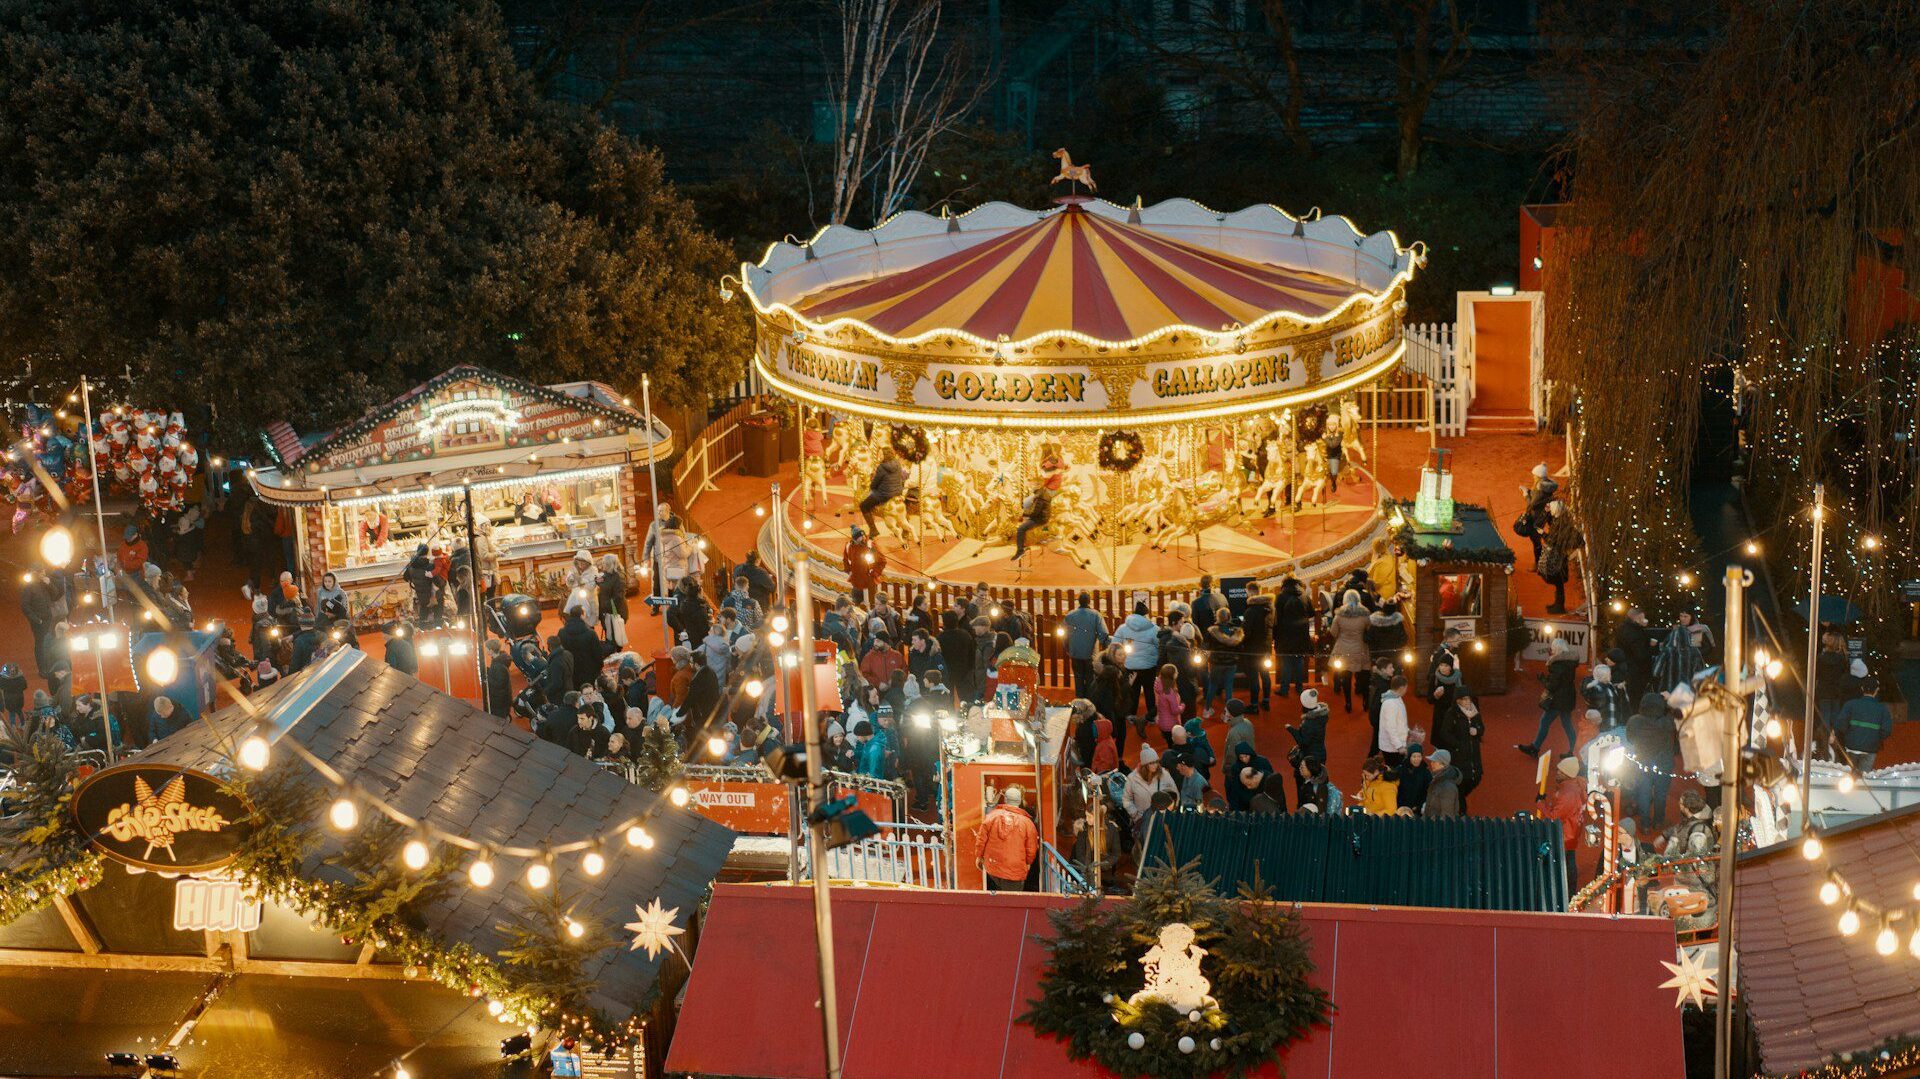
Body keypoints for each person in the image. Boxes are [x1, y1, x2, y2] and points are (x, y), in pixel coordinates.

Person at [1626, 692, 1678, 832]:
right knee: (1661, 794)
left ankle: (1645, 825)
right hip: (1664, 763)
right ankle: (1658, 822)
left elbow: (1630, 739)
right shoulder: (1667, 722)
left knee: (1644, 793)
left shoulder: (1634, 721)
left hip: (1643, 762)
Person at [1519, 637, 1579, 756]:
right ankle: (1575, 750)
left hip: (1558, 699)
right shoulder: (1570, 662)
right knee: (1567, 724)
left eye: (1552, 647)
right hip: (1568, 697)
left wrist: (1542, 679)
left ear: (1556, 649)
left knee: (1545, 721)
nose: (1551, 650)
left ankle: (1535, 748)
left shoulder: (1557, 664)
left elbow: (1552, 685)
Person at [1541, 756, 1589, 896]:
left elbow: (1554, 818)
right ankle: (1569, 892)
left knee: (1565, 864)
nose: (1557, 772)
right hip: (1572, 831)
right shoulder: (1576, 786)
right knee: (1569, 860)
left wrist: (1541, 805)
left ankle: (1566, 893)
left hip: (1564, 834)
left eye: (1560, 771)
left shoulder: (1568, 792)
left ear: (1567, 774)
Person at [978, 787, 1040, 891]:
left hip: (993, 868)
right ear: (1019, 801)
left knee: (996, 897)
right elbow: (1031, 848)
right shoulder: (1027, 823)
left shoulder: (991, 817)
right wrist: (1028, 863)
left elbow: (981, 840)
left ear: (1005, 800)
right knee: (1013, 903)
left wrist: (979, 856)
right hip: (1015, 871)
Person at [1432, 694, 1485, 810]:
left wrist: (1477, 731)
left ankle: (1458, 799)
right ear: (1458, 701)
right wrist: (1457, 745)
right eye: (1464, 699)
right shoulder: (1452, 714)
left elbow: (1482, 727)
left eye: (1468, 699)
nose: (1467, 701)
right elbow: (1445, 732)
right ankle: (1460, 807)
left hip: (1474, 754)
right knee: (1461, 780)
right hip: (1459, 755)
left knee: (1476, 779)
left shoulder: (1474, 713)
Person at [1112, 602, 1161, 723]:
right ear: (1146, 615)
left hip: (1130, 664)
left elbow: (1114, 644)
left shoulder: (1123, 627)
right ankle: (1150, 717)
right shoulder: (1154, 629)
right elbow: (1159, 645)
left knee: (1133, 691)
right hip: (1149, 665)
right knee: (1149, 691)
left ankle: (1131, 715)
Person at [1327, 591, 1371, 711]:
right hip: (1360, 649)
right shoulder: (1365, 613)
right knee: (1364, 678)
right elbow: (1369, 628)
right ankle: (1366, 702)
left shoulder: (1340, 614)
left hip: (1343, 650)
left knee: (1346, 678)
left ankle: (1348, 703)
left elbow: (1333, 632)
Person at [1837, 679, 1893, 771]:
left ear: (1862, 688)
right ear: (1876, 690)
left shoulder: (1850, 704)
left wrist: (1849, 735)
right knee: (1864, 778)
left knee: (1850, 777)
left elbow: (1841, 723)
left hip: (1851, 746)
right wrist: (1874, 738)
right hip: (1870, 748)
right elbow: (1887, 730)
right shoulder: (1882, 709)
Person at [1272, 577, 1315, 699]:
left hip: (1285, 633)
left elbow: (1276, 618)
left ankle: (1284, 689)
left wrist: (1274, 636)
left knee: (1286, 662)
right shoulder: (1304, 596)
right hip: (1301, 633)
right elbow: (1311, 613)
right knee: (1299, 660)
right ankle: (1299, 687)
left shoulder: (1281, 597)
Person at [1538, 501, 1583, 614]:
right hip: (1560, 556)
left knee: (1558, 582)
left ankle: (1559, 606)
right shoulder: (1563, 522)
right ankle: (1558, 605)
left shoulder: (1560, 524)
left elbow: (1552, 540)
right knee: (1559, 583)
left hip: (1557, 557)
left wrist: (1542, 533)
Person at [1063, 594, 1108, 700]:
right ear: (1089, 602)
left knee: (1078, 678)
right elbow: (1103, 633)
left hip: (1075, 652)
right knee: (1090, 679)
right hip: (1091, 653)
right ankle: (1089, 703)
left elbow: (1064, 634)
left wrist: (1067, 648)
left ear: (1079, 601)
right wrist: (1105, 647)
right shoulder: (1096, 615)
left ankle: (1079, 702)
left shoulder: (1070, 615)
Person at [1201, 607, 1243, 720]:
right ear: (1229, 617)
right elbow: (1240, 648)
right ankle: (1227, 715)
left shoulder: (1212, 631)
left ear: (1217, 618)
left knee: (1212, 686)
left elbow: (1205, 646)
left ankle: (1207, 710)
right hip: (1231, 664)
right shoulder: (1236, 631)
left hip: (1216, 663)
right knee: (1229, 687)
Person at [1122, 746, 1178, 830]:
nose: (1155, 765)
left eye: (1156, 762)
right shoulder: (1132, 778)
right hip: (1143, 821)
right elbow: (1126, 800)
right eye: (1152, 763)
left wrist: (1170, 813)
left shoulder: (1164, 775)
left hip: (1162, 820)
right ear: (1145, 765)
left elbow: (1175, 794)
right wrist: (1136, 816)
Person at [1612, 607, 1655, 701]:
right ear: (1637, 618)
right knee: (1634, 699)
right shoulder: (1634, 632)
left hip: (1628, 669)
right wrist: (1650, 647)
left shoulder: (1625, 628)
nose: (1644, 620)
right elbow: (1640, 653)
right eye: (1642, 618)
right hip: (1635, 673)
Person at [843, 526, 887, 606]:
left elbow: (882, 561)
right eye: (860, 537)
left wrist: (874, 572)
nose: (863, 538)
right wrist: (849, 572)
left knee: (873, 605)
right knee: (857, 607)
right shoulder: (848, 546)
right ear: (854, 539)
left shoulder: (870, 545)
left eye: (863, 536)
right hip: (856, 583)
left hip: (870, 583)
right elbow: (846, 561)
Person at [1582, 661, 1630, 732]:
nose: (1611, 676)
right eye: (1609, 674)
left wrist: (1618, 687)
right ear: (1604, 676)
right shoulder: (1599, 689)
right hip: (1605, 723)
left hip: (1610, 720)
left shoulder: (1608, 685)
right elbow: (1602, 703)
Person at [1376, 675, 1409, 766]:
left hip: (1395, 745)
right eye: (1406, 688)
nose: (1406, 690)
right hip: (1392, 747)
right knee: (1394, 774)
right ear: (1401, 688)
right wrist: (1399, 746)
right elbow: (1390, 728)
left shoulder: (1396, 698)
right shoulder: (1391, 703)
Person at [1420, 748, 1463, 818]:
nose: (1431, 763)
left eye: (1434, 761)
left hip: (1440, 827)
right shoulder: (1437, 781)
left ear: (1442, 763)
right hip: (1432, 826)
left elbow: (1447, 816)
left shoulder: (1447, 786)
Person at [1395, 746, 1431, 813]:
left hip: (1416, 810)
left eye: (1419, 756)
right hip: (1400, 809)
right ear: (1409, 757)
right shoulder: (1400, 770)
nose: (1417, 759)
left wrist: (1418, 806)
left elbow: (1428, 791)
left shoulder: (1425, 772)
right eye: (1414, 756)